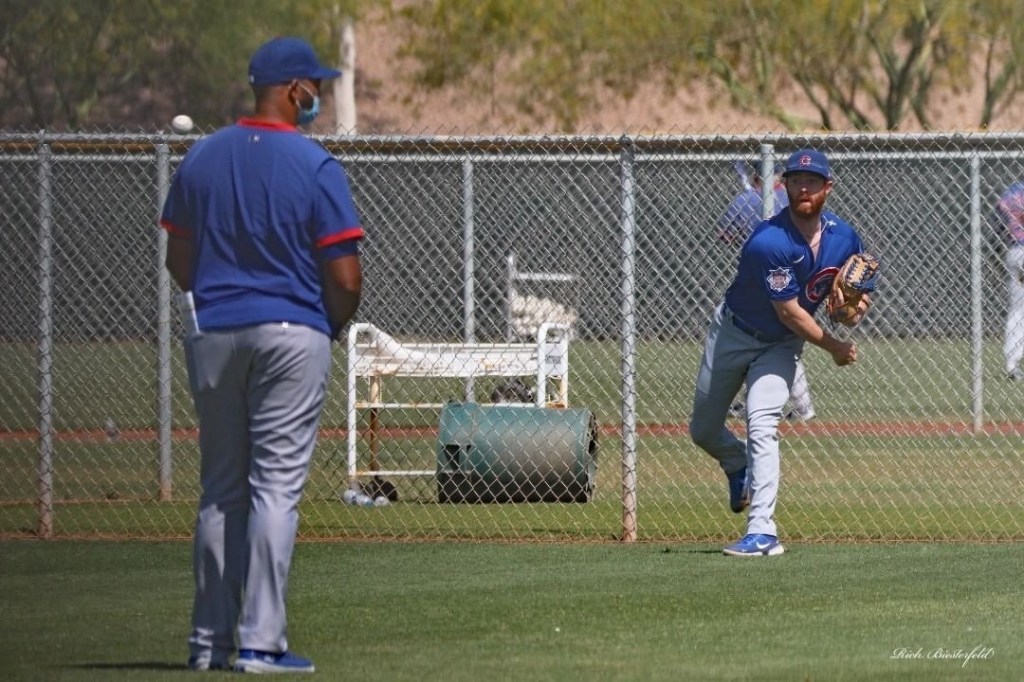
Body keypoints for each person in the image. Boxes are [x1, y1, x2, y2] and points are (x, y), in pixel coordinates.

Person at [160, 36, 363, 673]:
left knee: (221, 490)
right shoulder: (315, 164)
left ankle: (209, 644)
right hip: (291, 331)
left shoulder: (201, 156)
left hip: (215, 331)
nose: (317, 96)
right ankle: (259, 643)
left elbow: (178, 260)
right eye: (313, 85)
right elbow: (346, 278)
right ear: (292, 89)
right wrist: (325, 328)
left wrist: (221, 303)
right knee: (274, 489)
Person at [689, 149, 870, 557]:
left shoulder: (845, 238)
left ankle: (762, 532)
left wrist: (852, 309)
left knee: (761, 420)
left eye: (812, 181)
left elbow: (857, 300)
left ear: (828, 187)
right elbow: (789, 312)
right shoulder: (768, 240)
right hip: (733, 333)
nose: (804, 188)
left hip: (780, 346)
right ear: (784, 186)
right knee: (703, 430)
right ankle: (737, 463)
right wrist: (835, 347)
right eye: (796, 180)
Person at [719, 161, 817, 422]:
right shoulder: (795, 198)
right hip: (798, 274)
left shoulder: (746, 199)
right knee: (769, 340)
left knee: (763, 339)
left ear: (754, 177)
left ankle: (803, 406)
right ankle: (758, 401)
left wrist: (750, 231)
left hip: (761, 277)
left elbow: (725, 236)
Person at [996, 181, 1024, 381]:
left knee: (1018, 309)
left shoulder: (1012, 191)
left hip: (1015, 251)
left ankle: (1012, 363)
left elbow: (998, 223)